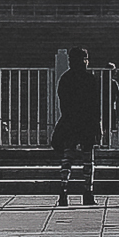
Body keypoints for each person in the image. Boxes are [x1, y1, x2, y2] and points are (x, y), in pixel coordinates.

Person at [51, 44, 102, 207]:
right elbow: (95, 105)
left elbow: (63, 104)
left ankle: (63, 192)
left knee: (67, 158)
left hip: (70, 121)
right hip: (87, 122)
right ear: (85, 61)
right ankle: (88, 192)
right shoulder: (90, 79)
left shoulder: (65, 79)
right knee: (88, 159)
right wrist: (98, 125)